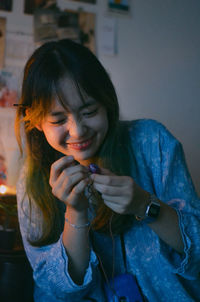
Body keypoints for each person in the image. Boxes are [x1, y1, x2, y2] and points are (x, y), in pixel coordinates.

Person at [15, 39, 200, 302]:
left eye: (89, 111)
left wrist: (144, 204)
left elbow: (198, 248)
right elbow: (57, 291)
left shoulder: (152, 141)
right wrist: (76, 213)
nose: (78, 131)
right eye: (58, 119)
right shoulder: (31, 179)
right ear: (35, 121)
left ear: (107, 104)